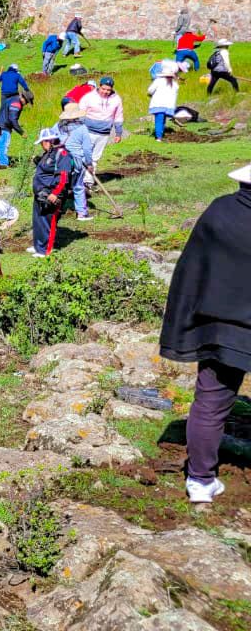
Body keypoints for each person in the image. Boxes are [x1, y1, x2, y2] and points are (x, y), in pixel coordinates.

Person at [158, 162, 251, 504]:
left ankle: (200, 480)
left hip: (218, 326)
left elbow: (191, 266)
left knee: (210, 402)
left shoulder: (219, 211)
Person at [30, 127, 73, 257]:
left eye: (42, 142)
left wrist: (55, 193)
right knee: (38, 219)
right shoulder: (49, 153)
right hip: (40, 192)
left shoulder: (62, 154)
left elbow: (64, 177)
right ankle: (38, 246)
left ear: (48, 141)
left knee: (48, 221)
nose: (42, 146)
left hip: (51, 193)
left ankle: (45, 250)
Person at [56, 105, 95, 221]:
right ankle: (81, 213)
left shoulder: (58, 126)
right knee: (78, 187)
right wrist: (89, 164)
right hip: (76, 162)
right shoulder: (82, 128)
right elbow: (87, 149)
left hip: (60, 160)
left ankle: (57, 210)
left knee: (60, 186)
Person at [78, 76, 125, 166]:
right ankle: (79, 178)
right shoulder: (89, 97)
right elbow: (80, 112)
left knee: (95, 158)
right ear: (99, 86)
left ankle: (89, 179)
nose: (105, 92)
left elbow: (118, 116)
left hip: (104, 133)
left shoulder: (117, 99)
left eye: (108, 90)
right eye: (103, 89)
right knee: (84, 155)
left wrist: (118, 133)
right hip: (88, 132)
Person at [147, 64, 179, 143]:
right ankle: (161, 133)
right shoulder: (175, 84)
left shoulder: (158, 81)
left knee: (158, 120)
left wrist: (150, 94)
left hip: (158, 104)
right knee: (163, 120)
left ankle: (158, 137)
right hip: (168, 106)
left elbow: (150, 90)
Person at [0, 93, 27, 167]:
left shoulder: (11, 99)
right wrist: (21, 132)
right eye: (26, 101)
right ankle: (3, 164)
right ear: (22, 97)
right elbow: (12, 119)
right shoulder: (17, 104)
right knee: (3, 146)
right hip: (4, 128)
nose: (26, 103)